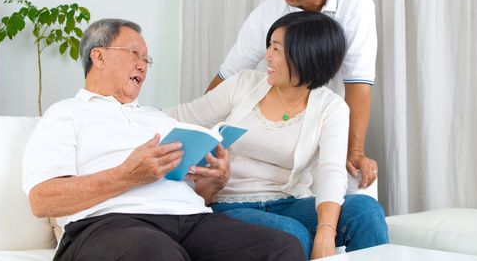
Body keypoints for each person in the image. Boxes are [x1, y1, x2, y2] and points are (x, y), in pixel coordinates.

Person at [22, 18, 304, 261]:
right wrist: (126, 176)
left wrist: (212, 183)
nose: (142, 66)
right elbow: (42, 200)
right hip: (109, 224)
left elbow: (196, 196)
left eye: (146, 60)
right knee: (155, 252)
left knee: (281, 248)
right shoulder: (66, 113)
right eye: (134, 54)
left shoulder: (159, 119)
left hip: (193, 221)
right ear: (98, 56)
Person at [167, 12, 389, 260]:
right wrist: (125, 111)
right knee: (291, 234)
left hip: (289, 203)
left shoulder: (331, 107)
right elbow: (181, 115)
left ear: (306, 56)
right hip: (230, 204)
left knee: (365, 210)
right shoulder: (243, 84)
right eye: (269, 46)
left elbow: (330, 171)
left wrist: (326, 233)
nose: (267, 56)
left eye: (277, 49)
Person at [206, 0, 378, 189]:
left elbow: (358, 82)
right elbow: (227, 76)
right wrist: (202, 138)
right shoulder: (268, 13)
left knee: (356, 196)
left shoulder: (354, 0)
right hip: (276, 132)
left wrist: (354, 151)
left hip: (326, 126)